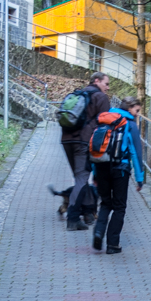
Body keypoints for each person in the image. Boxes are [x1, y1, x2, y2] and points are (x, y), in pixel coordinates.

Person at [92, 96, 144, 254]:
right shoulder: (130, 124)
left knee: (106, 203)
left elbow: (96, 149)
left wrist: (94, 174)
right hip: (120, 169)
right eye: (137, 110)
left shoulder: (105, 119)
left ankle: (98, 232)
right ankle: (112, 244)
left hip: (101, 167)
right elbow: (136, 152)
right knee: (119, 207)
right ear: (130, 108)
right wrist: (140, 178)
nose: (137, 113)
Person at [62, 72, 110, 231]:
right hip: (82, 142)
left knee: (79, 177)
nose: (107, 88)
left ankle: (88, 211)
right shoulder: (100, 98)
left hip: (67, 139)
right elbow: (106, 123)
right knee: (82, 178)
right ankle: (73, 218)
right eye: (106, 83)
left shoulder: (77, 94)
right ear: (97, 80)